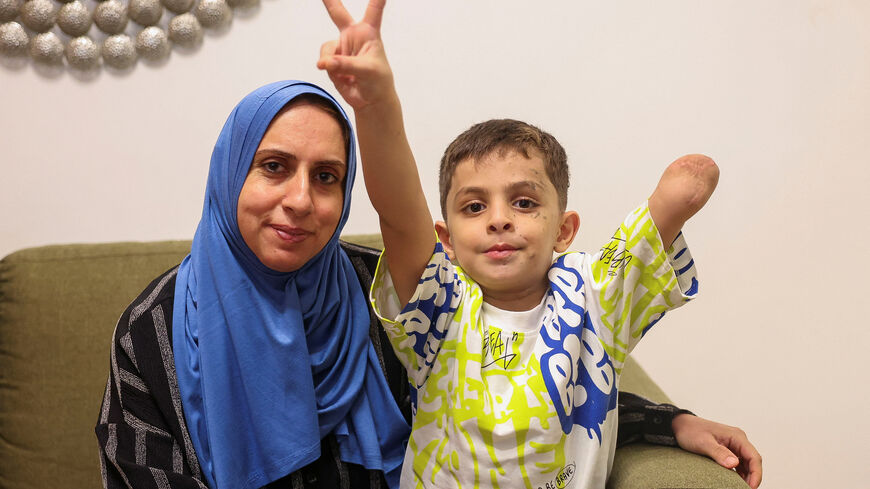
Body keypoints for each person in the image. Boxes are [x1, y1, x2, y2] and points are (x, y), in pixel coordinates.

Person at [94, 12, 760, 489]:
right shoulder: (153, 329)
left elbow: (511, 384)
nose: (301, 199)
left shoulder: (371, 290)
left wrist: (669, 422)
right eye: (272, 166)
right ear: (228, 172)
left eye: (326, 177)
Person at [317, 1, 761, 488]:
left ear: (564, 231)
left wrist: (679, 195)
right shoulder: (440, 306)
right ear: (444, 239)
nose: (500, 220)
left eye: (525, 203)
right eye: (473, 207)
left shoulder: (592, 296)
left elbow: (684, 189)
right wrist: (377, 104)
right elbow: (400, 217)